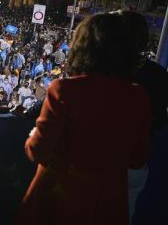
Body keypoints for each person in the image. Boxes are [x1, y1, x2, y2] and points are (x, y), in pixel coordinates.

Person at [16, 13, 152, 225]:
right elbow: (138, 159)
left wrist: (34, 133)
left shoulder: (64, 90)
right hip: (106, 208)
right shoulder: (138, 97)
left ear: (82, 47)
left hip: (58, 203)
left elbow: (37, 150)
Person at [118, 10, 168, 223]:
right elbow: (159, 119)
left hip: (103, 160)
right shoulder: (158, 75)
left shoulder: (105, 71)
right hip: (136, 163)